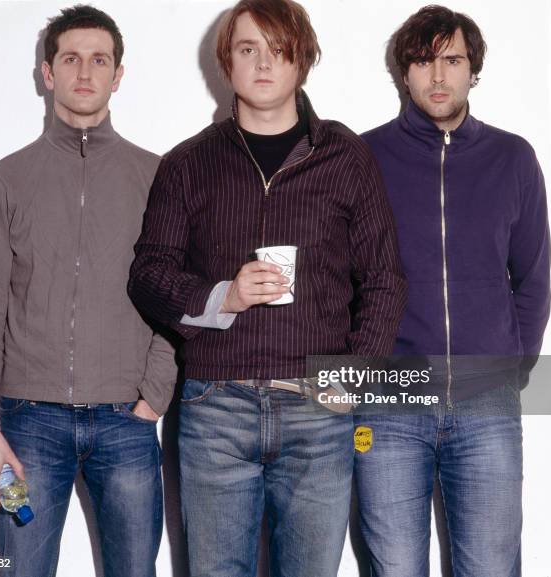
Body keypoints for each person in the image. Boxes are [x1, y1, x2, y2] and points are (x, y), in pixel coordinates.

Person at [127, 1, 406, 575]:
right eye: (247, 48)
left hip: (317, 407)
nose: (262, 63)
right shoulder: (188, 163)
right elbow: (149, 273)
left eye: (277, 49)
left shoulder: (345, 156)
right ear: (226, 62)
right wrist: (221, 296)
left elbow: (384, 278)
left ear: (301, 60)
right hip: (214, 407)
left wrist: (350, 376)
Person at [0, 6, 177, 577]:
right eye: (71, 58)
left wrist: (154, 394)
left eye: (99, 60)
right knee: (20, 568)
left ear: (118, 75)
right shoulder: (4, 181)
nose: (85, 72)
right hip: (25, 429)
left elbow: (177, 297)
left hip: (127, 427)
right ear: (48, 72)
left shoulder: (158, 178)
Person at [355, 5, 551, 577]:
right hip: (388, 397)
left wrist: (510, 368)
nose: (438, 76)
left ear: (473, 70)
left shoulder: (512, 158)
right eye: (423, 61)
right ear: (404, 73)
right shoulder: (364, 157)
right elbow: (341, 280)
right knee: (392, 568)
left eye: (452, 60)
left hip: (486, 398)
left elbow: (533, 278)